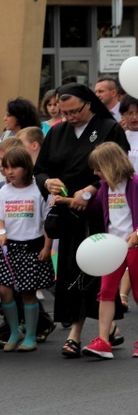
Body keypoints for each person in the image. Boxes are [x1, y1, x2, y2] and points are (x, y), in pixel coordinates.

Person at [34, 82, 129, 359]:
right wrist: (47, 182)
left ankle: (90, 330)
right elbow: (40, 170)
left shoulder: (108, 128)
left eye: (74, 111)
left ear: (88, 104)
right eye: (64, 113)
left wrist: (91, 190)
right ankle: (82, 329)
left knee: (99, 271)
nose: (70, 117)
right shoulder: (57, 132)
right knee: (72, 271)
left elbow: (119, 169)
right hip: (67, 212)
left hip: (99, 211)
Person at [0, 147, 54, 352]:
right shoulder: (4, 191)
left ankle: (31, 336)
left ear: (26, 167)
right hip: (10, 249)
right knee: (4, 291)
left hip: (32, 246)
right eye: (6, 167)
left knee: (28, 293)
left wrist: (47, 246)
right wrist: (0, 231)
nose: (9, 171)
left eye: (14, 167)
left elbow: (47, 222)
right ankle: (15, 331)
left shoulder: (37, 190)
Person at [79, 143, 138, 359]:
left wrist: (136, 234)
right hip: (112, 247)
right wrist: (73, 198)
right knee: (105, 292)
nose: (96, 173)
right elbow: (96, 207)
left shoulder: (134, 184)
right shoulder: (106, 187)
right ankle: (103, 341)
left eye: (98, 168)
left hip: (134, 245)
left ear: (110, 165)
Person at [119, 95, 138, 170]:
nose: (134, 117)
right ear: (123, 116)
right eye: (130, 113)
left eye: (137, 112)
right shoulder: (119, 137)